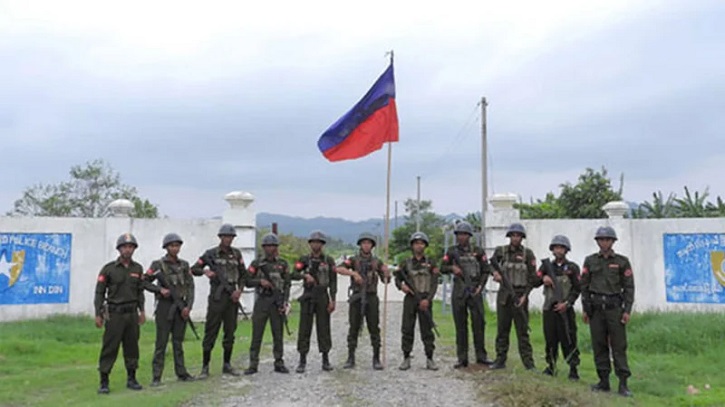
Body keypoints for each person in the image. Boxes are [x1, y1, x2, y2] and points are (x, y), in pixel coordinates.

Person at [581, 226, 635, 397]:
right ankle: (603, 381)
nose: (604, 242)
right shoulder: (590, 261)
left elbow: (629, 287)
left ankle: (623, 383)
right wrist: (585, 309)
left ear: (612, 242)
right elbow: (584, 286)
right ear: (597, 242)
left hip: (615, 309)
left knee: (619, 345)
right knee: (599, 345)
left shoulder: (622, 261)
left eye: (607, 239)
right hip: (596, 309)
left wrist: (627, 310)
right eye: (601, 239)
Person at [190, 223, 246, 378]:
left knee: (230, 331)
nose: (228, 239)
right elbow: (193, 269)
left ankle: (227, 364)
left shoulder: (237, 254)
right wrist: (205, 271)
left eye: (231, 237)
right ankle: (205, 366)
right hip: (217, 297)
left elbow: (243, 275)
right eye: (225, 236)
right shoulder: (211, 254)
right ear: (220, 237)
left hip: (232, 298)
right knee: (211, 331)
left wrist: (238, 291)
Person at [94, 233, 146, 394]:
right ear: (119, 249)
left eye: (131, 247)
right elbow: (99, 292)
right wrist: (98, 313)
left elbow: (140, 292)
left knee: (132, 347)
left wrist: (142, 311)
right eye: (125, 247)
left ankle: (132, 378)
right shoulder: (108, 269)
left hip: (131, 314)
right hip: (115, 315)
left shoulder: (137, 268)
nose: (128, 250)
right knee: (110, 347)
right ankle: (104, 381)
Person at [144, 233, 196, 386]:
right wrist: (159, 290)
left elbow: (190, 286)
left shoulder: (185, 265)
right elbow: (144, 282)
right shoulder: (157, 265)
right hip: (165, 307)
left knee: (178, 342)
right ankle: (156, 376)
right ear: (166, 247)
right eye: (172, 245)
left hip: (181, 306)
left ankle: (181, 373)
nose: (175, 248)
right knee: (161, 342)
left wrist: (188, 307)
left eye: (177, 245)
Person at [440, 221, 493, 368]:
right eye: (459, 234)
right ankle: (462, 358)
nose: (461, 237)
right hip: (459, 292)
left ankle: (481, 356)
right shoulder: (451, 251)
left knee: (479, 324)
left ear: (469, 236)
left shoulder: (478, 251)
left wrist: (480, 287)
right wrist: (452, 268)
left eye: (464, 234)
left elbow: (485, 270)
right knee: (460, 326)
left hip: (475, 290)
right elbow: (442, 268)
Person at [336, 232, 390, 370]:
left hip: (371, 297)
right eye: (364, 243)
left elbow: (386, 281)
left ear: (372, 246)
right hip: (357, 296)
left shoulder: (377, 261)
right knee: (353, 327)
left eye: (369, 243)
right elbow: (339, 268)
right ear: (360, 244)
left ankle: (376, 358)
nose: (366, 245)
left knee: (374, 328)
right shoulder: (353, 260)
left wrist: (386, 272)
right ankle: (350, 357)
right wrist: (353, 273)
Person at [490, 222, 537, 370]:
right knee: (502, 330)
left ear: (522, 237)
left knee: (523, 332)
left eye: (518, 235)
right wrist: (495, 273)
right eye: (513, 235)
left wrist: (525, 296)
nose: (515, 238)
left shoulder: (527, 254)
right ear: (509, 236)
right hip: (504, 296)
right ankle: (500, 360)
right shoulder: (501, 251)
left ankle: (529, 364)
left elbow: (532, 277)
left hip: (520, 296)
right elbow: (490, 264)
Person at [534, 235, 581, 380]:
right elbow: (535, 280)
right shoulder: (546, 266)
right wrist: (543, 278)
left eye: (561, 248)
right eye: (556, 248)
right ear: (552, 250)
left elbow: (577, 289)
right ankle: (551, 366)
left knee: (569, 338)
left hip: (566, 309)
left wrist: (567, 304)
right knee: (550, 339)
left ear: (566, 250)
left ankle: (573, 369)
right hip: (549, 308)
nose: (558, 250)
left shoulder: (572, 268)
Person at [244, 233, 291, 374]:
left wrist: (285, 302)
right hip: (262, 301)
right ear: (263, 247)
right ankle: (253, 364)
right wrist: (260, 282)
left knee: (278, 334)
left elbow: (287, 284)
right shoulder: (257, 264)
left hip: (277, 302)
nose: (271, 249)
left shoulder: (282, 264)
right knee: (257, 334)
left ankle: (279, 361)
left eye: (273, 246)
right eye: (268, 246)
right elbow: (247, 281)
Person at [292, 230, 337, 373]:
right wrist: (305, 276)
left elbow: (333, 281)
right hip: (308, 295)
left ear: (322, 244)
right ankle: (302, 360)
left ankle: (325, 359)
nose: (316, 244)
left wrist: (333, 299)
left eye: (318, 242)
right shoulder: (304, 259)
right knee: (304, 328)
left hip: (322, 295)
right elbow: (293, 274)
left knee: (323, 328)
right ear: (310, 244)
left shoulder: (328, 260)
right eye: (313, 242)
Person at [394, 231, 439, 371]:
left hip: (425, 298)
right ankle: (406, 357)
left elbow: (434, 283)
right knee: (407, 328)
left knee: (427, 330)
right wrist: (402, 286)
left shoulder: (431, 262)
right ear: (412, 246)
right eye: (416, 243)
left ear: (425, 245)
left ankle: (430, 358)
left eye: (421, 243)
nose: (418, 246)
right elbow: (397, 278)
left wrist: (428, 299)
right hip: (410, 299)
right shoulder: (406, 263)